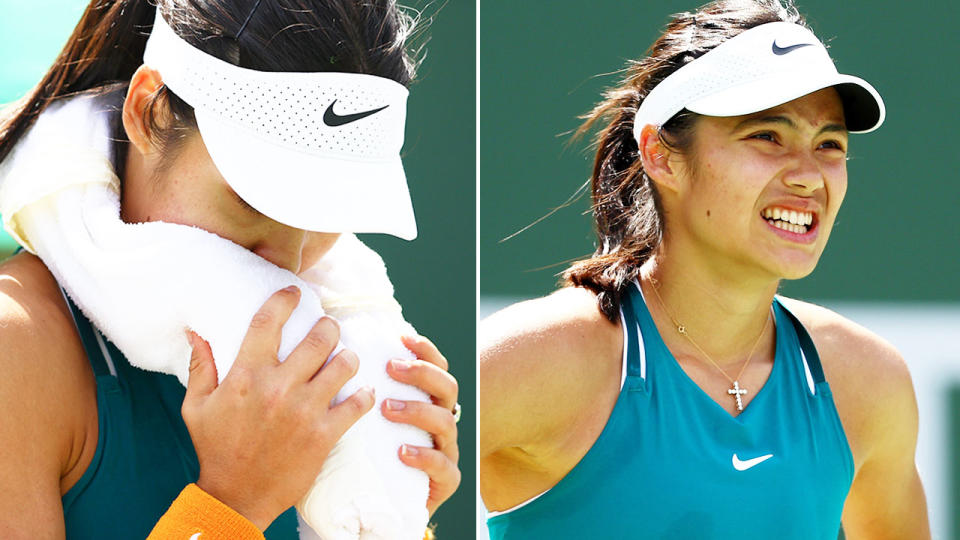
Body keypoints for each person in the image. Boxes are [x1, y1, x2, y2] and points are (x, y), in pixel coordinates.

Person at [0, 0, 460, 538]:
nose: (287, 262)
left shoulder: (347, 366)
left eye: (329, 216)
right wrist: (234, 503)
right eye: (255, 203)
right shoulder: (15, 353)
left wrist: (395, 514)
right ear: (147, 112)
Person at [479, 1, 929, 538]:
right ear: (662, 155)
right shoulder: (535, 359)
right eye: (767, 136)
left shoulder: (868, 383)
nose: (810, 177)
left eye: (829, 144)